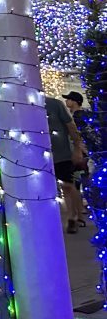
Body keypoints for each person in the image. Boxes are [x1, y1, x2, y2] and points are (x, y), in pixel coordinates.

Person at [45, 93, 87, 233]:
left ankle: (73, 217)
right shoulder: (23, 105)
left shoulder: (54, 104)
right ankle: (74, 216)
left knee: (67, 185)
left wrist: (77, 148)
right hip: (40, 156)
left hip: (61, 153)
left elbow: (71, 127)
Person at [63, 91, 98, 231]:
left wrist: (81, 148)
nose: (66, 102)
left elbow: (80, 135)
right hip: (84, 152)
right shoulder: (82, 115)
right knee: (82, 179)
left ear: (75, 101)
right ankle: (85, 208)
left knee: (80, 180)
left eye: (69, 100)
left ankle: (87, 207)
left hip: (81, 153)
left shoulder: (77, 117)